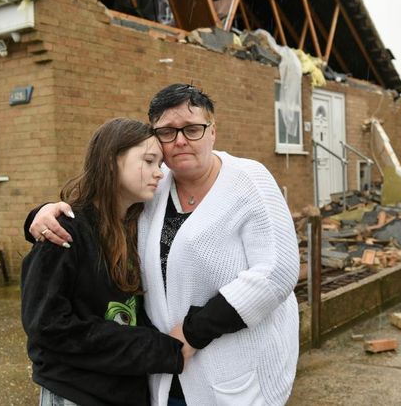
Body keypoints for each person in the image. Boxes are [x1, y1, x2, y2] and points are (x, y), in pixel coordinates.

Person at [28, 84, 300, 406]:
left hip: (231, 365)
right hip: (161, 370)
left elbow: (277, 272)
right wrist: (43, 214)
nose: (180, 140)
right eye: (168, 132)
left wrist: (192, 332)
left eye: (192, 129)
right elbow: (101, 205)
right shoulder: (154, 188)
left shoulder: (249, 180)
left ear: (213, 131)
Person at [21, 118, 188, 406]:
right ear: (111, 162)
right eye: (149, 161)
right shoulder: (64, 231)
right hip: (78, 394)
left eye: (160, 163)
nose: (159, 173)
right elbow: (48, 326)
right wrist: (160, 349)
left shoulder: (137, 228)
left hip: (126, 392)